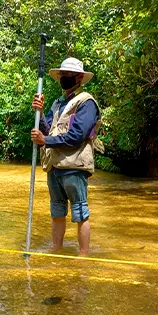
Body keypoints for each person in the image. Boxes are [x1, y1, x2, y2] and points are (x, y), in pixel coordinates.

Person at [31, 57, 102, 256]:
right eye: (62, 75)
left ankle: (84, 255)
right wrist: (40, 111)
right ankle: (56, 249)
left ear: (79, 78)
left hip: (74, 166)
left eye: (68, 75)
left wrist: (45, 141)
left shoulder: (86, 102)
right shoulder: (58, 103)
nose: (64, 78)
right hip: (54, 167)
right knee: (57, 211)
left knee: (80, 212)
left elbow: (77, 136)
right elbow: (47, 129)